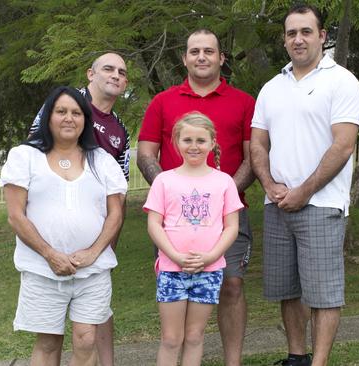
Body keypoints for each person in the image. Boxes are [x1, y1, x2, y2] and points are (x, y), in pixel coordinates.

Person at [250, 4, 359, 366]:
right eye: (291, 33)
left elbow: (343, 145)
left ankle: (319, 362)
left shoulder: (341, 81)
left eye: (305, 31)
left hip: (322, 204)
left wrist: (304, 191)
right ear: (284, 40)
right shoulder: (271, 87)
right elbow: (257, 143)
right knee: (288, 290)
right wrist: (269, 184)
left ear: (322, 36)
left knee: (324, 294)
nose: (298, 39)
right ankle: (296, 357)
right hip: (279, 204)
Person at [137, 29, 255, 366]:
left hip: (228, 213)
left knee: (231, 285)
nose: (201, 57)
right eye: (194, 51)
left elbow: (253, 156)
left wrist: (220, 194)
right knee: (174, 326)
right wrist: (175, 191)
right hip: (175, 220)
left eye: (209, 51)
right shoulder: (162, 101)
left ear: (221, 58)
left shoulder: (244, 102)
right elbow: (146, 155)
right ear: (185, 58)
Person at [1, 86, 127, 366]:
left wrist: (93, 252)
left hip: (92, 271)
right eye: (61, 112)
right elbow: (16, 215)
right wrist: (50, 254)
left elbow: (115, 214)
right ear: (48, 117)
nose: (69, 118)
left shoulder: (102, 161)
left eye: (76, 112)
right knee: (47, 343)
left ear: (85, 120)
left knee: (86, 339)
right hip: (42, 269)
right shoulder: (24, 156)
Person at [29, 52, 130, 366]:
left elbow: (119, 193)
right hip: (52, 241)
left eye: (122, 72)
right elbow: (33, 157)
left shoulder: (120, 130)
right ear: (91, 74)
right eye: (108, 69)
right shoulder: (64, 106)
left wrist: (106, 245)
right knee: (50, 333)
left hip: (96, 241)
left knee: (93, 320)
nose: (115, 75)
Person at [143, 112, 244, 366]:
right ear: (176, 142)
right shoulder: (164, 181)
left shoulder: (224, 182)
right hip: (172, 269)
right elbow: (154, 224)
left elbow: (231, 226)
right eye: (187, 140)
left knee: (195, 336)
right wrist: (174, 256)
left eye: (201, 140)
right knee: (171, 338)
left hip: (209, 270)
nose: (194, 146)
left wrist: (211, 256)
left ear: (212, 143)